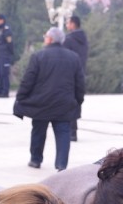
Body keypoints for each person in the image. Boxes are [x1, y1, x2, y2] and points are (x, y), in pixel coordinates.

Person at [13, 27, 84, 172]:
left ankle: (35, 159)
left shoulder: (39, 56)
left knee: (38, 131)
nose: (44, 39)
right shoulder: (73, 57)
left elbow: (28, 80)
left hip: (41, 104)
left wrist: (20, 97)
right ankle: (61, 165)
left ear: (50, 39)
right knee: (63, 133)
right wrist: (78, 100)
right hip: (64, 104)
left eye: (45, 36)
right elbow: (80, 83)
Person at [63, 15, 88, 142]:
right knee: (76, 101)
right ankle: (74, 131)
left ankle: (70, 131)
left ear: (73, 24)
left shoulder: (69, 39)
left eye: (68, 23)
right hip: (81, 73)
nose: (66, 25)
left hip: (69, 74)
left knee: (68, 102)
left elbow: (64, 58)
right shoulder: (83, 38)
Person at [0, 13, 15, 98]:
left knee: (4, 73)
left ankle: (5, 92)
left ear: (2, 20)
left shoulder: (6, 30)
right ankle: (0, 90)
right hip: (0, 55)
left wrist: (9, 54)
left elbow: (10, 43)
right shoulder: (1, 30)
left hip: (5, 55)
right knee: (0, 73)